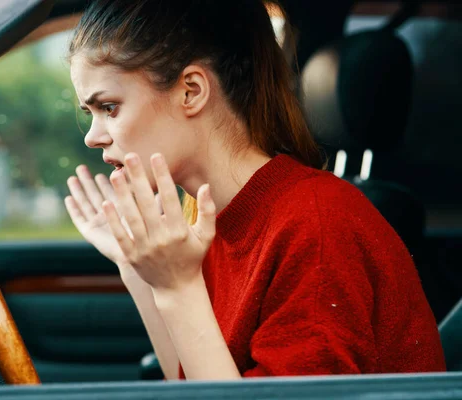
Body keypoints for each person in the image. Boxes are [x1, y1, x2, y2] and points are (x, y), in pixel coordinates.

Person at [63, 0, 446, 380]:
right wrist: (138, 268)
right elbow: (188, 386)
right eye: (90, 114)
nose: (93, 138)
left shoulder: (318, 225)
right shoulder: (210, 220)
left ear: (191, 91)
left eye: (109, 108)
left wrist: (176, 287)